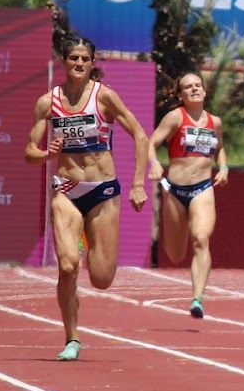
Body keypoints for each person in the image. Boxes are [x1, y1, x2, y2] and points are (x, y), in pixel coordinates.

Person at [25, 37, 149, 361]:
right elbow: (28, 151)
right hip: (66, 190)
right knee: (67, 266)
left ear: (93, 62)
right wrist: (44, 155)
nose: (79, 63)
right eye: (73, 58)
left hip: (102, 192)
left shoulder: (104, 97)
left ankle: (92, 247)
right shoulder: (47, 103)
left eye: (84, 58)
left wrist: (138, 184)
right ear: (63, 62)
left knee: (101, 278)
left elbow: (140, 135)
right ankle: (72, 338)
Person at [146, 72, 228, 319]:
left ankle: (197, 299)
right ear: (181, 95)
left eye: (197, 85)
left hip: (202, 189)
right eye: (188, 87)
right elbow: (151, 143)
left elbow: (221, 148)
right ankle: (193, 289)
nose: (194, 89)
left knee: (201, 239)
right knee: (175, 254)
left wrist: (223, 167)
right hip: (174, 190)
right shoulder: (174, 117)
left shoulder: (215, 122)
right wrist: (154, 163)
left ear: (204, 90)